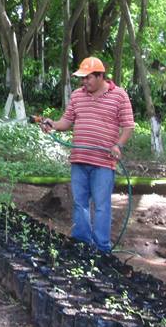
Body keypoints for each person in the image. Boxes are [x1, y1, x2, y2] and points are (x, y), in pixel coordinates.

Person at [38, 57, 135, 253]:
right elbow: (66, 121)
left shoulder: (119, 96)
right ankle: (81, 244)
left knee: (101, 206)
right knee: (80, 203)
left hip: (103, 162)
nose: (84, 82)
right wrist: (53, 125)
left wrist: (118, 145)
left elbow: (128, 126)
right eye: (82, 78)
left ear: (100, 76)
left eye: (88, 78)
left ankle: (101, 249)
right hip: (79, 160)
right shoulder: (77, 96)